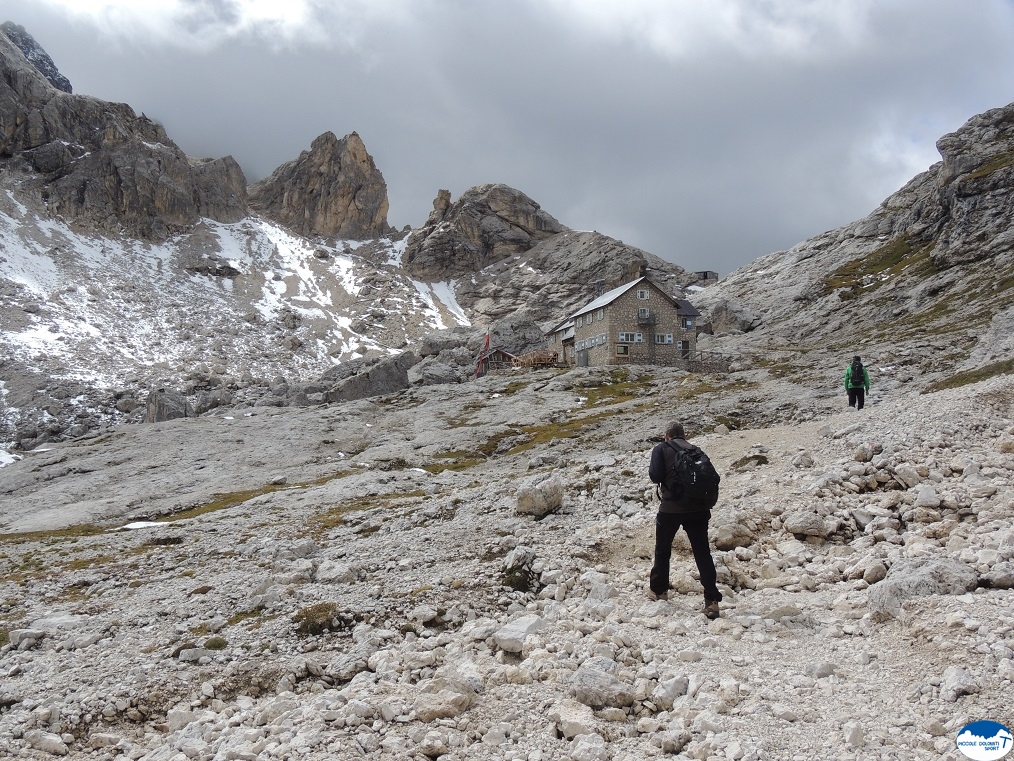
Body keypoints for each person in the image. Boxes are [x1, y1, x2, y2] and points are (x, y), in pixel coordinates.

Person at [647, 420, 723, 619]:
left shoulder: (661, 449)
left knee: (663, 550)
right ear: (684, 435)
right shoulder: (695, 450)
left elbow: (655, 476)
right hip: (698, 509)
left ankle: (659, 591)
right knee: (702, 552)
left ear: (667, 436)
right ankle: (711, 601)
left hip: (671, 508)